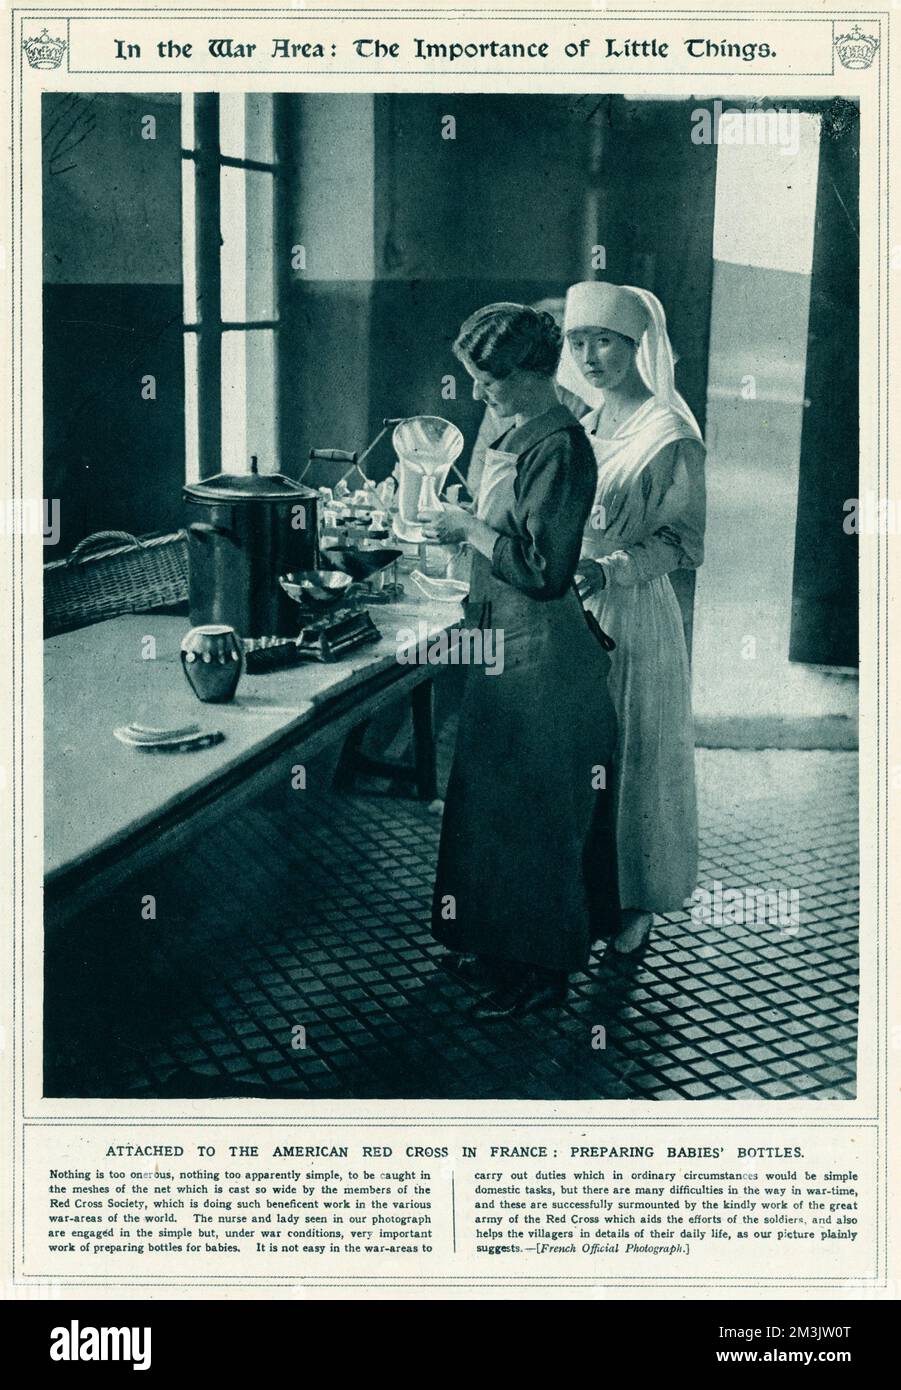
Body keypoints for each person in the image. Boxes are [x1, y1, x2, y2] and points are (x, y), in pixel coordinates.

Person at [419, 302, 620, 1020]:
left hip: (546, 656)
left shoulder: (562, 446)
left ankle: (542, 974)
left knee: (536, 818)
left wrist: (467, 527)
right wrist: (464, 526)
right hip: (503, 642)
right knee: (490, 809)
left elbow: (544, 571)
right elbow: (502, 531)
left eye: (488, 381)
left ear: (534, 374)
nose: (476, 393)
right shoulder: (513, 425)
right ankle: (496, 951)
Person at [563, 281, 707, 956]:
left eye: (606, 343)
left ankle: (633, 898)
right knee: (575, 752)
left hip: (631, 610)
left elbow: (683, 543)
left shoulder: (667, 431)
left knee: (631, 753)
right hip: (569, 606)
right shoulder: (580, 422)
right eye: (577, 342)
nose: (590, 356)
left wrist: (611, 568)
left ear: (635, 346)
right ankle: (578, 892)